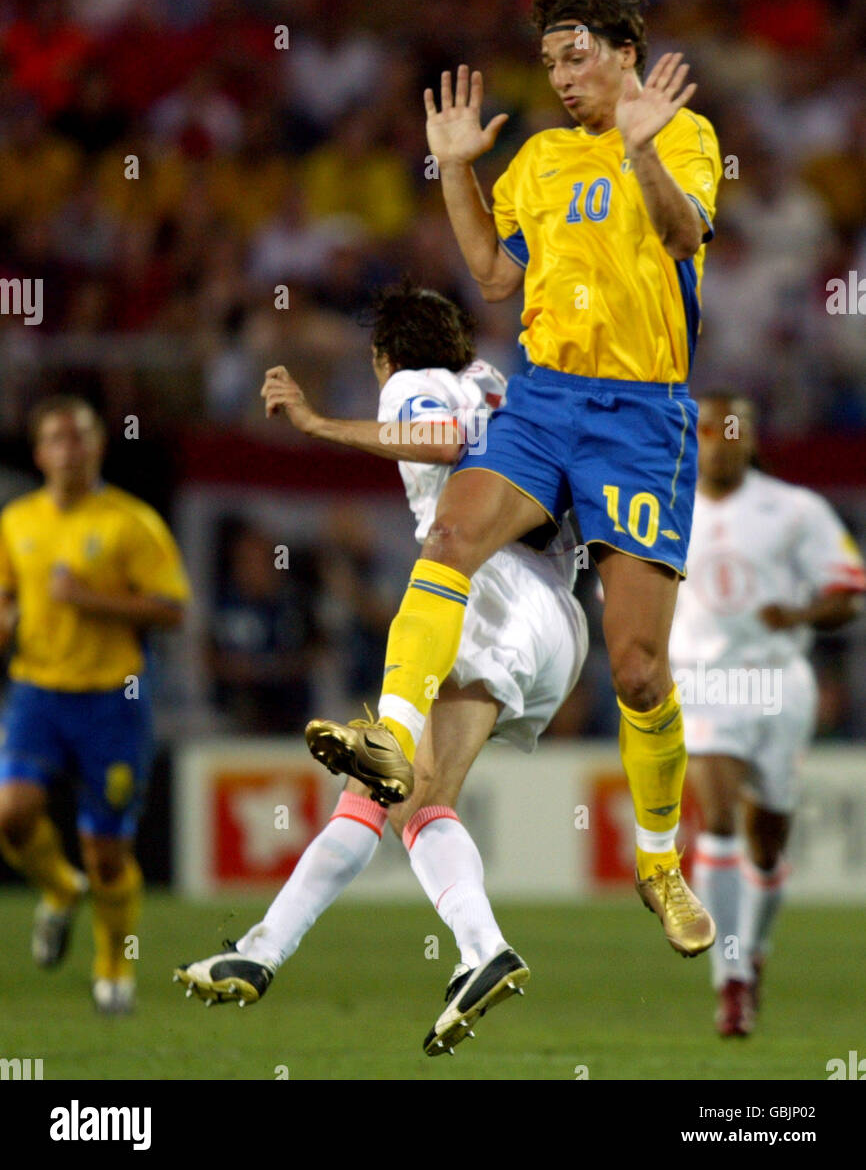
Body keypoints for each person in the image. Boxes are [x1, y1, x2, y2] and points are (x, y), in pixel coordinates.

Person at [305, 0, 723, 955]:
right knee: (449, 531)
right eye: (548, 61)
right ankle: (391, 735)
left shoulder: (681, 136)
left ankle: (658, 862)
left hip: (638, 414)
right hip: (540, 398)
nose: (561, 76)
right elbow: (494, 277)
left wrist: (640, 150)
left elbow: (679, 233)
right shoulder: (535, 159)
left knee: (635, 668)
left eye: (576, 56)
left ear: (624, 52)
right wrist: (454, 170)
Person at [174, 283, 588, 1055]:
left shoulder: (412, 384)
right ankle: (457, 950)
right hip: (556, 624)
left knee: (388, 765)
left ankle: (383, 742)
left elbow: (437, 441)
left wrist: (316, 422)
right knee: (408, 801)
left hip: (483, 587)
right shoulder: (494, 383)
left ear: (383, 356)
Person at [670, 393, 864, 1035]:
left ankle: (752, 949)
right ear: (694, 436)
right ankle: (729, 980)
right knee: (718, 820)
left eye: (734, 431)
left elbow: (850, 593)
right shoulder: (664, 504)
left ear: (751, 441)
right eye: (709, 429)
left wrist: (802, 614)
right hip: (705, 684)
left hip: (778, 683)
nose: (722, 441)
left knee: (768, 840)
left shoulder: (795, 509)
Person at [0, 397, 191, 1014]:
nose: (70, 448)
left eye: (81, 436)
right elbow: (6, 595)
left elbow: (172, 609)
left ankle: (114, 964)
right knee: (12, 814)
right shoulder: (17, 521)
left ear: (99, 447)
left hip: (113, 699)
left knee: (107, 853)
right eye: (57, 437)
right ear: (39, 453)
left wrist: (90, 600)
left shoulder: (130, 523)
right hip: (37, 691)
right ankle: (59, 890)